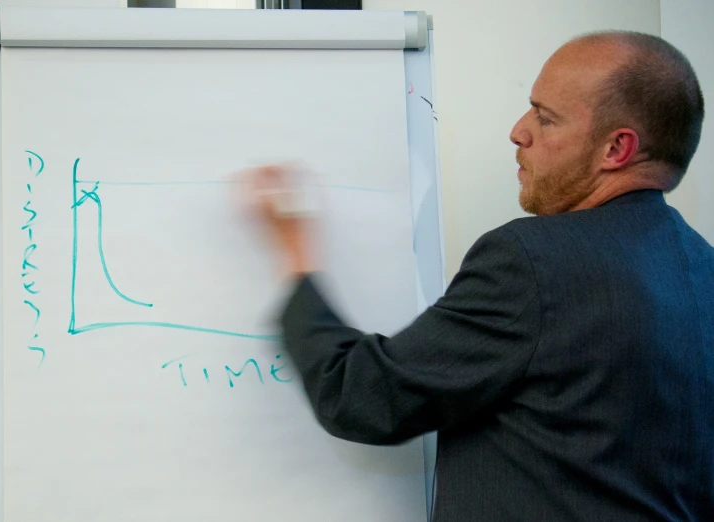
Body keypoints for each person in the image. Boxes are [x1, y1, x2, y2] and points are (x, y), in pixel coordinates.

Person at [238, 31, 713, 521]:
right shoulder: (704, 269)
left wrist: (296, 254)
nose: (518, 131)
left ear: (617, 148)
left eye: (545, 118)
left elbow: (358, 397)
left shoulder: (533, 261)